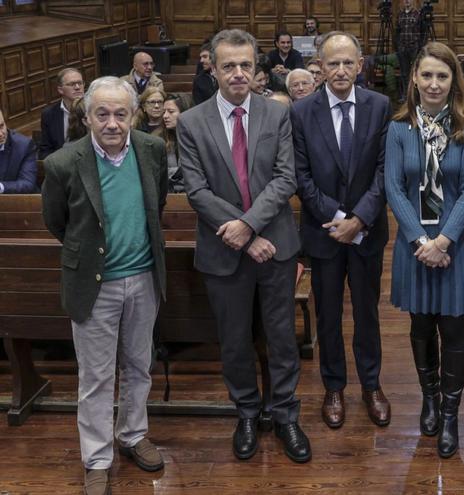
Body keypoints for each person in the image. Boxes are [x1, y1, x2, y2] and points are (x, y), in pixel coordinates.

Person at [176, 28, 311, 464]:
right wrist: (244, 235)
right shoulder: (192, 122)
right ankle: (248, 413)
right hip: (223, 250)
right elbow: (196, 191)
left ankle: (286, 414)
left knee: (282, 338)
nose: (238, 73)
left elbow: (286, 179)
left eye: (245, 65)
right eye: (229, 65)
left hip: (275, 246)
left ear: (256, 69)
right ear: (213, 69)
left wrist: (250, 228)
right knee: (234, 341)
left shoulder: (276, 115)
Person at [41, 76, 168, 495]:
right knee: (95, 377)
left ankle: (133, 434)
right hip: (94, 285)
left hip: (144, 278)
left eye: (120, 113)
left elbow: (156, 204)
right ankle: (96, 459)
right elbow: (57, 222)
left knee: (138, 366)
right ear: (87, 117)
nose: (112, 123)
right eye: (102, 114)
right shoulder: (63, 163)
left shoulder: (151, 150)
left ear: (132, 115)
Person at [385, 41, 464, 458]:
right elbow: (394, 187)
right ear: (414, 78)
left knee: (455, 332)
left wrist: (443, 241)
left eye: (442, 76)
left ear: (453, 81)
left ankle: (450, 414)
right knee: (421, 327)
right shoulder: (398, 128)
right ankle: (429, 398)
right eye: (426, 75)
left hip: (457, 244)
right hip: (414, 244)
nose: (433, 83)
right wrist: (420, 241)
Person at [291, 32, 392, 431]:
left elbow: (385, 170)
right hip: (324, 233)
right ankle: (334, 387)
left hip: (368, 231)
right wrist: (337, 219)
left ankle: (371, 385)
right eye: (332, 63)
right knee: (328, 315)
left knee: (367, 314)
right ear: (320, 66)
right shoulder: (302, 112)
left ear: (360, 65)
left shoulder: (379, 106)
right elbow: (301, 177)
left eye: (348, 62)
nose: (341, 70)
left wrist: (359, 220)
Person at [39, 68, 85, 159]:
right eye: (72, 84)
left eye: (80, 83)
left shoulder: (92, 109)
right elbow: (45, 150)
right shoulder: (49, 114)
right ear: (60, 90)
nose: (77, 87)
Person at [0, 108, 38, 194]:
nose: (1, 134)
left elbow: (27, 184)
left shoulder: (24, 145)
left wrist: (1, 187)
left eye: (1, 126)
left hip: (16, 200)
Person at [161, 94, 190, 193]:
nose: (165, 116)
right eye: (164, 112)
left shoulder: (198, 138)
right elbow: (157, 171)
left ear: (184, 112)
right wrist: (180, 172)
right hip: (168, 193)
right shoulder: (159, 138)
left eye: (171, 112)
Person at [395, 0, 421, 101]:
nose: (407, 1)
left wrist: (419, 45)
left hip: (414, 47)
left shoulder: (417, 14)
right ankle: (405, 95)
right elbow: (397, 31)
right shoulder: (400, 14)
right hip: (402, 47)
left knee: (415, 71)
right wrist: (398, 44)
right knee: (404, 73)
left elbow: (422, 31)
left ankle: (415, 95)